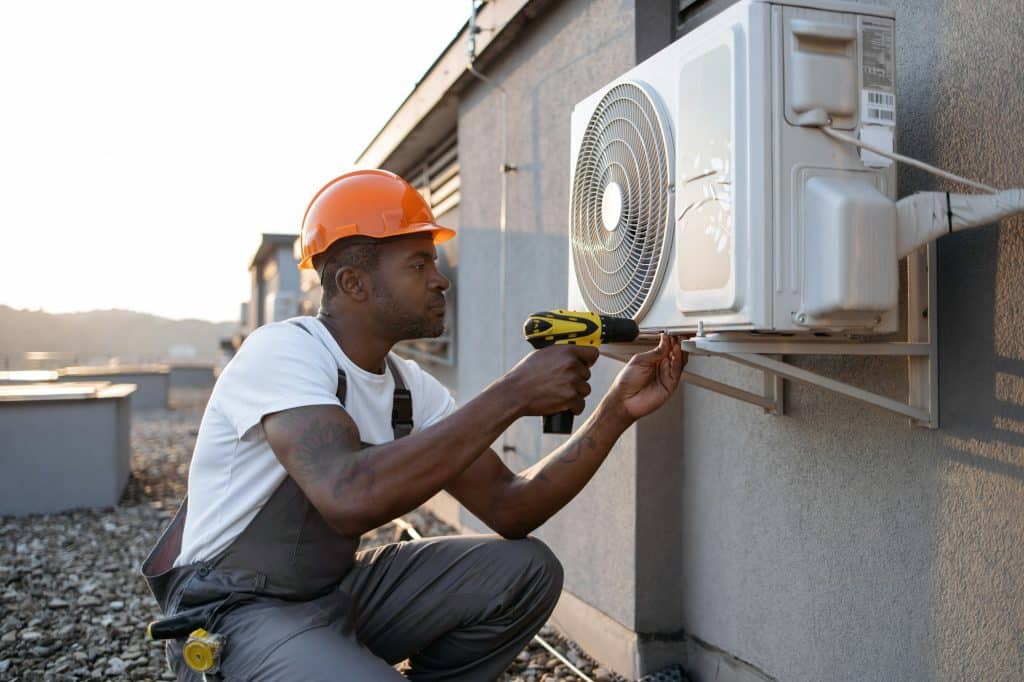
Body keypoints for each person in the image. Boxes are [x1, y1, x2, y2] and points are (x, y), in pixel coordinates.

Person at [142, 169, 685, 680]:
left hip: (332, 593)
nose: (440, 280)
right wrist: (515, 392)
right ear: (354, 283)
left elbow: (512, 507)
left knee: (527, 571)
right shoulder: (284, 353)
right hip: (235, 613)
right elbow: (347, 495)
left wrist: (615, 412)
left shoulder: (408, 387)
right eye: (418, 265)